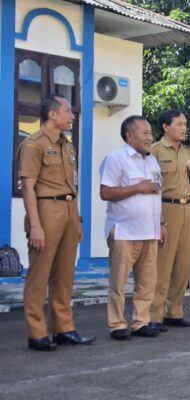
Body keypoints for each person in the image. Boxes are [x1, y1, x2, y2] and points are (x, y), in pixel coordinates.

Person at [18, 94, 96, 351]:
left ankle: (63, 329)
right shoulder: (33, 145)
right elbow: (28, 188)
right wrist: (36, 225)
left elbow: (71, 185)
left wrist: (78, 220)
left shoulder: (68, 145)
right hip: (46, 209)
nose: (72, 116)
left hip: (68, 211)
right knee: (39, 275)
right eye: (67, 112)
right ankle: (37, 333)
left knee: (65, 275)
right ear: (53, 114)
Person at [99, 115, 166, 341]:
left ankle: (141, 322)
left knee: (146, 281)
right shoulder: (115, 159)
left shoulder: (152, 161)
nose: (150, 137)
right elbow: (105, 192)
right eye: (145, 133)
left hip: (150, 231)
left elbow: (157, 195)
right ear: (130, 135)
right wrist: (137, 187)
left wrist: (162, 224)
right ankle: (117, 324)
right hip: (124, 231)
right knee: (118, 281)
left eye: (150, 133)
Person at [149, 109, 190, 331]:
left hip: (187, 208)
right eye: (179, 124)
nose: (184, 127)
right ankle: (154, 315)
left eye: (184, 123)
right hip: (166, 208)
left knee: (183, 264)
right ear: (166, 127)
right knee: (163, 264)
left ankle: (174, 311)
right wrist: (158, 221)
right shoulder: (155, 152)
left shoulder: (188, 153)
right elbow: (153, 190)